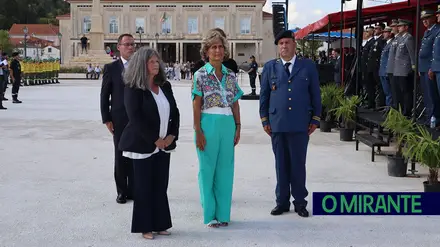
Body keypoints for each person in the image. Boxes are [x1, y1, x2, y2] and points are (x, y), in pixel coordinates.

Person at [119, 47, 180, 240]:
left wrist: (171, 136)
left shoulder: (165, 86)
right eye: (152, 62)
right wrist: (155, 140)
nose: (157, 64)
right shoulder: (133, 88)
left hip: (164, 144)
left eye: (157, 61)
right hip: (143, 144)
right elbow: (135, 119)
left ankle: (161, 223)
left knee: (160, 186)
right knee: (143, 187)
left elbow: (175, 113)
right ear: (141, 65)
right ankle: (145, 226)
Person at [259, 30, 322, 218]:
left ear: (295, 45)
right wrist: (264, 120)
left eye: (287, 43)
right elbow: (264, 96)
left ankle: (300, 203)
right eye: (281, 44)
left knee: (298, 164)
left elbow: (315, 95)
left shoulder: (307, 66)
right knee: (281, 164)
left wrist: (315, 119)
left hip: (300, 124)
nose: (284, 46)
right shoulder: (270, 67)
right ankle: (282, 202)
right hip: (277, 124)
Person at [192, 28, 243, 228]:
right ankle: (210, 214)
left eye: (220, 47)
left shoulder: (230, 75)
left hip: (227, 123)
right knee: (207, 169)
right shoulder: (200, 74)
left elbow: (235, 103)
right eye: (213, 47)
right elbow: (196, 104)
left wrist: (238, 127)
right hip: (208, 122)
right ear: (207, 51)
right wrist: (198, 131)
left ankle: (223, 214)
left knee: (225, 170)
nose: (217, 51)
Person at [100, 34, 135, 204]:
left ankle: (134, 189)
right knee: (120, 155)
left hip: (138, 118)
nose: (130, 47)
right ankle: (122, 191)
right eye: (127, 44)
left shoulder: (140, 66)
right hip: (119, 118)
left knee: (137, 154)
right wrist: (106, 118)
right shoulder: (111, 68)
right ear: (119, 47)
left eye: (132, 44)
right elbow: (104, 95)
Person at [420, 9, 440, 125]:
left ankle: (434, 118)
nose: (424, 21)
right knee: (427, 95)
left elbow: (433, 52)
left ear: (433, 18)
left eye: (427, 18)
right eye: (423, 19)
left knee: (432, 95)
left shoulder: (436, 30)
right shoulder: (427, 31)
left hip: (432, 67)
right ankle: (430, 117)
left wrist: (431, 68)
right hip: (426, 67)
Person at [392, 19, 415, 117]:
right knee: (400, 92)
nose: (398, 27)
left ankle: (407, 112)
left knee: (406, 92)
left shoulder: (408, 38)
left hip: (405, 69)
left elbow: (412, 54)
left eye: (401, 26)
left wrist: (413, 67)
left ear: (406, 27)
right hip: (397, 69)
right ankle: (402, 111)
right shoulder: (400, 38)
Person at [379, 27, 395, 109]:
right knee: (386, 91)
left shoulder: (392, 43)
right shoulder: (386, 44)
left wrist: (387, 71)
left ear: (390, 33)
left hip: (386, 71)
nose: (383, 34)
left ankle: (389, 108)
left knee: (389, 91)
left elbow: (390, 59)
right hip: (382, 70)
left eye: (385, 32)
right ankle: (387, 107)